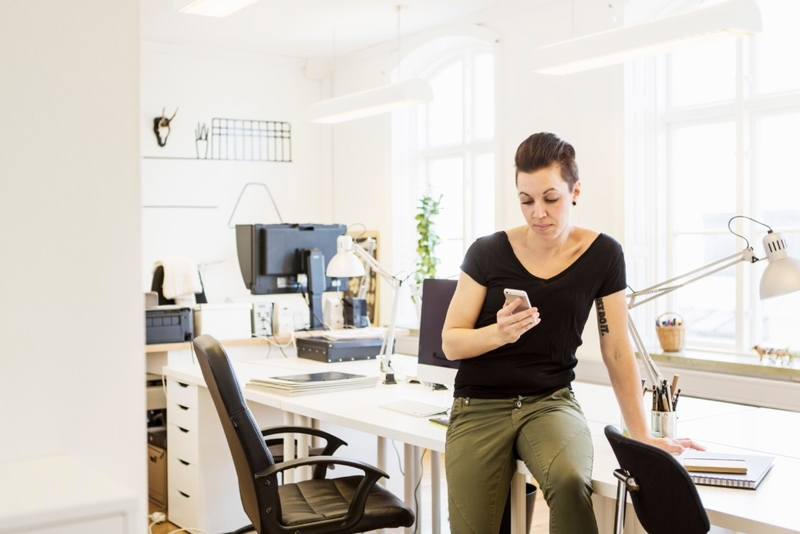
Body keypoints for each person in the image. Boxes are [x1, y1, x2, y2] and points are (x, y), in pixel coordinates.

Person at [441, 132, 704, 534]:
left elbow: (616, 348)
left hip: (550, 402)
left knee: (568, 481)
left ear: (575, 190)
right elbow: (451, 341)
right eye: (526, 200)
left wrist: (642, 438)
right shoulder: (487, 251)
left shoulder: (603, 255)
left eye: (551, 198)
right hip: (479, 404)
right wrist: (500, 333)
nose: (537, 213)